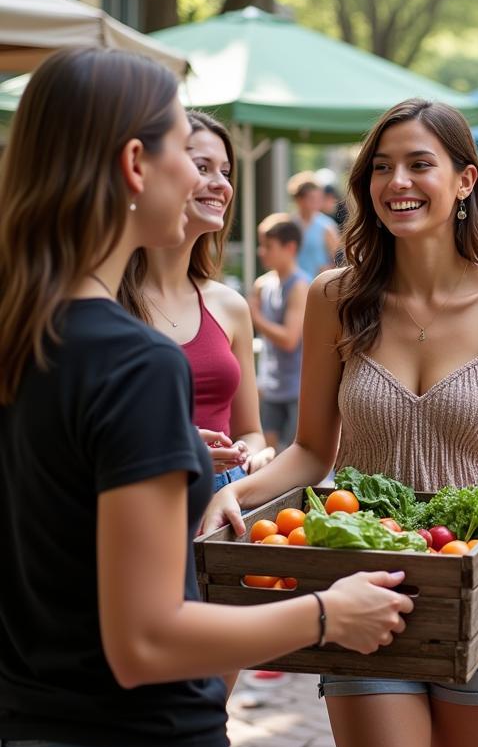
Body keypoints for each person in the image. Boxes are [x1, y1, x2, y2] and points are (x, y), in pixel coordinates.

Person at [0, 48, 413, 747]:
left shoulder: (23, 334)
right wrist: (327, 612)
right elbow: (147, 639)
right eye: (178, 150)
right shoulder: (136, 362)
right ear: (134, 163)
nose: (199, 179)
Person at [202, 98, 478, 747]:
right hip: (362, 594)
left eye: (420, 164)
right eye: (381, 168)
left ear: (465, 181)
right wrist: (234, 491)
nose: (397, 182)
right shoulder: (336, 296)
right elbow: (308, 450)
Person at [120, 110, 274, 494]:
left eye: (226, 172)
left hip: (222, 508)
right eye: (201, 166)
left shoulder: (230, 305)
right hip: (138, 506)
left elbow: (251, 431)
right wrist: (176, 453)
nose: (219, 183)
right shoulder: (104, 301)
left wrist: (249, 454)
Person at [250, 214, 309, 450]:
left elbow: (289, 340)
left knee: (291, 457)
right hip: (270, 386)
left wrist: (255, 318)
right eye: (261, 244)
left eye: (268, 246)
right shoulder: (262, 284)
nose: (261, 251)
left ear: (290, 247)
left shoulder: (300, 286)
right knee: (268, 453)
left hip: (296, 388)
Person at [289, 171, 341, 278]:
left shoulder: (327, 226)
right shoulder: (290, 224)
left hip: (317, 285)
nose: (316, 202)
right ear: (299, 199)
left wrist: (328, 269)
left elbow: (339, 259)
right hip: (295, 285)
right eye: (311, 198)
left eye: (318, 198)